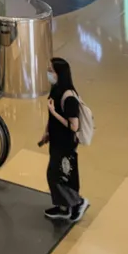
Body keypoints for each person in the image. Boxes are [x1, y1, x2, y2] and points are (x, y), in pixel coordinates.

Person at [38, 57, 88, 223]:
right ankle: (63, 206)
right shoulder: (56, 89)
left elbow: (74, 126)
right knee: (57, 173)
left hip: (66, 143)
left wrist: (54, 113)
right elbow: (51, 119)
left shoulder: (69, 98)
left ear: (59, 73)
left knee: (60, 174)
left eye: (51, 70)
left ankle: (78, 202)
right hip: (56, 140)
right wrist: (47, 132)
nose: (49, 73)